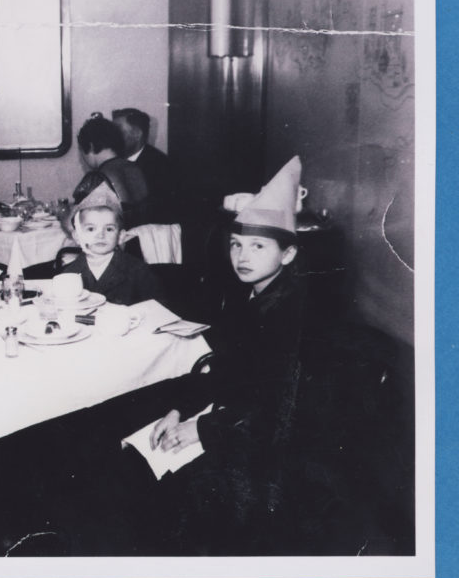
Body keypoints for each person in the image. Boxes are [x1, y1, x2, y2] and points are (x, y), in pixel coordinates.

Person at [81, 157, 307, 555]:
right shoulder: (247, 297)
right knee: (127, 447)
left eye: (257, 246)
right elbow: (223, 371)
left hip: (264, 450)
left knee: (143, 484)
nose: (242, 256)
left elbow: (275, 411)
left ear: (287, 255)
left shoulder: (290, 317)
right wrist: (178, 410)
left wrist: (199, 429)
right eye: (237, 244)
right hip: (230, 418)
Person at [59, 181, 162, 306]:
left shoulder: (138, 271)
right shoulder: (70, 273)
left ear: (120, 237)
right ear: (77, 237)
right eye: (91, 229)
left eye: (109, 229)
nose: (101, 235)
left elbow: (157, 310)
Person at [74, 113, 151, 229]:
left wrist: (64, 213)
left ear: (90, 146)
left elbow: (75, 224)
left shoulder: (96, 178)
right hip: (143, 242)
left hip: (113, 244)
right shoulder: (136, 168)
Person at [112, 107, 178, 223]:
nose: (111, 137)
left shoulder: (161, 167)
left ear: (137, 134)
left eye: (118, 131)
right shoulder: (114, 163)